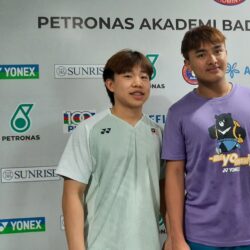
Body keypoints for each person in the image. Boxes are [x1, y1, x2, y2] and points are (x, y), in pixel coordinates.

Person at [162, 26, 250, 250]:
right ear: (188, 64)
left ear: (226, 53)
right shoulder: (179, 113)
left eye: (217, 51)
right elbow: (174, 175)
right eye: (201, 54)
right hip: (200, 236)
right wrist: (177, 237)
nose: (212, 59)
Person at [56, 49, 167, 250]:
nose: (138, 83)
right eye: (128, 76)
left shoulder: (158, 133)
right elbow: (73, 193)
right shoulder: (89, 129)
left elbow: (166, 191)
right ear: (110, 84)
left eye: (144, 77)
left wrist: (174, 237)